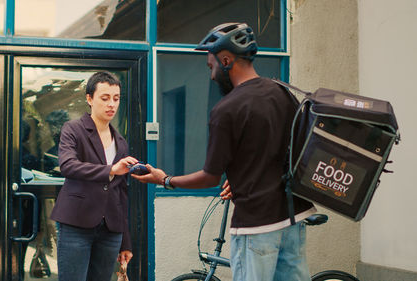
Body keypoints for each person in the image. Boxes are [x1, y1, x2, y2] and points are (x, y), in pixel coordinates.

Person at [132, 23, 316, 281]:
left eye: (211, 66)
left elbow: (209, 177)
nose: (211, 75)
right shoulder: (283, 93)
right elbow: (287, 152)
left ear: (226, 60)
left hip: (256, 225)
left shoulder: (227, 109)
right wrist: (240, 177)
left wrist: (164, 179)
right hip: (292, 218)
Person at [50, 71, 136, 280]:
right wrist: (110, 170)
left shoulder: (121, 141)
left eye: (116, 99)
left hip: (111, 230)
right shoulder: (73, 129)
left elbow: (121, 193)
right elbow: (68, 166)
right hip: (76, 223)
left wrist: (125, 241)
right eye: (105, 98)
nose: (111, 105)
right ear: (89, 99)